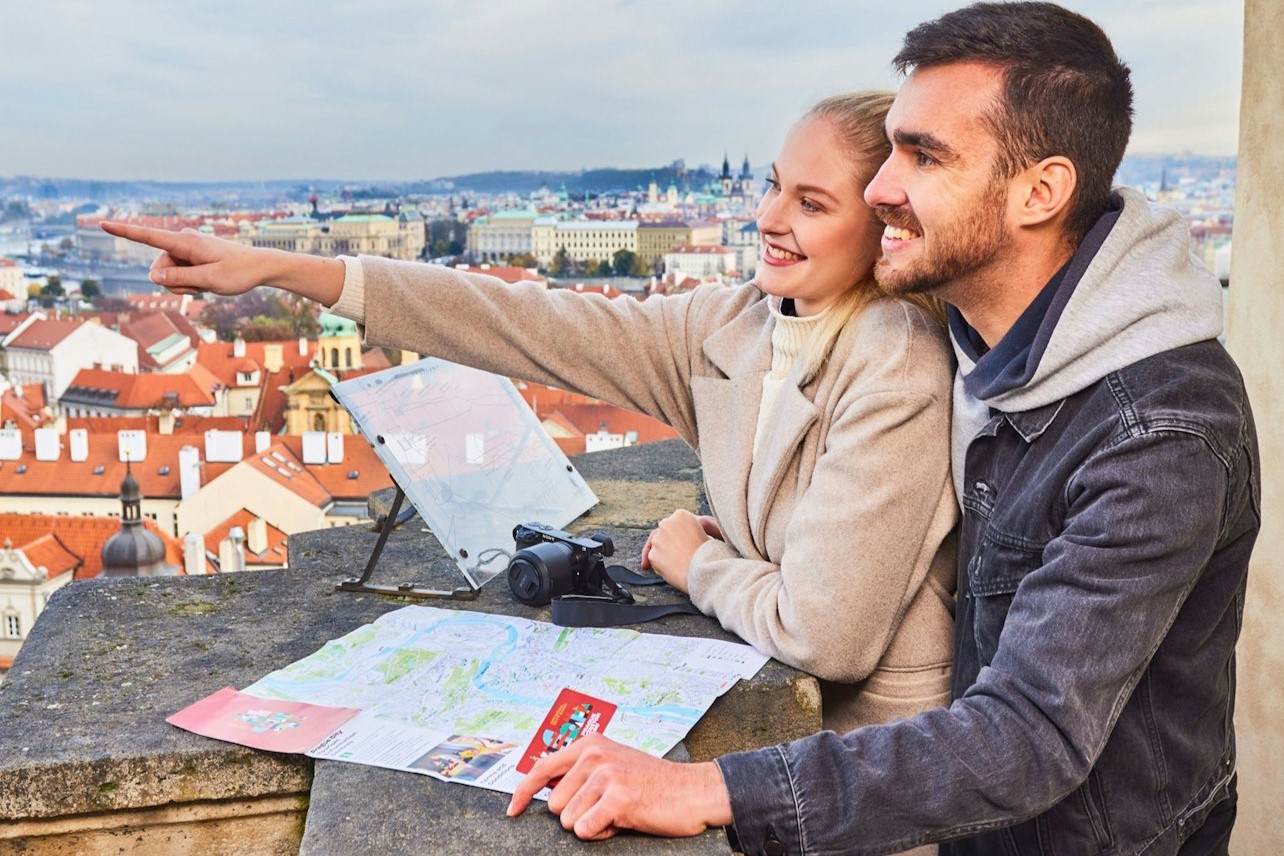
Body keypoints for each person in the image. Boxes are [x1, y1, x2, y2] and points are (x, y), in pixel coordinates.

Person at [502, 3, 1259, 854]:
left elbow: (1031, 734)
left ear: (1040, 192)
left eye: (924, 155)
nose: (877, 189)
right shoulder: (976, 338)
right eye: (893, 144)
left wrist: (714, 786)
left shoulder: (1160, 431)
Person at [101, 92, 960, 736]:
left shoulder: (895, 362)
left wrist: (698, 564)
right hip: (775, 735)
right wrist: (277, 268)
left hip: (870, 766)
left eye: (812, 204)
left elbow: (829, 633)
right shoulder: (735, 325)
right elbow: (526, 320)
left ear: (881, 224)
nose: (770, 217)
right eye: (774, 187)